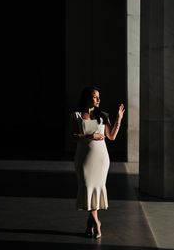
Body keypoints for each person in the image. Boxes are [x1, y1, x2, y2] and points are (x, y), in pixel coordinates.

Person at [70, 86, 125, 239]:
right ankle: (96, 221)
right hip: (84, 158)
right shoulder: (77, 116)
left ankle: (91, 223)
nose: (98, 100)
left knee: (96, 189)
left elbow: (111, 136)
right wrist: (89, 137)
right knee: (87, 187)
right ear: (87, 98)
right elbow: (73, 137)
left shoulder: (103, 116)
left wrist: (118, 119)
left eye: (99, 97)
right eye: (95, 97)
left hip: (101, 158)